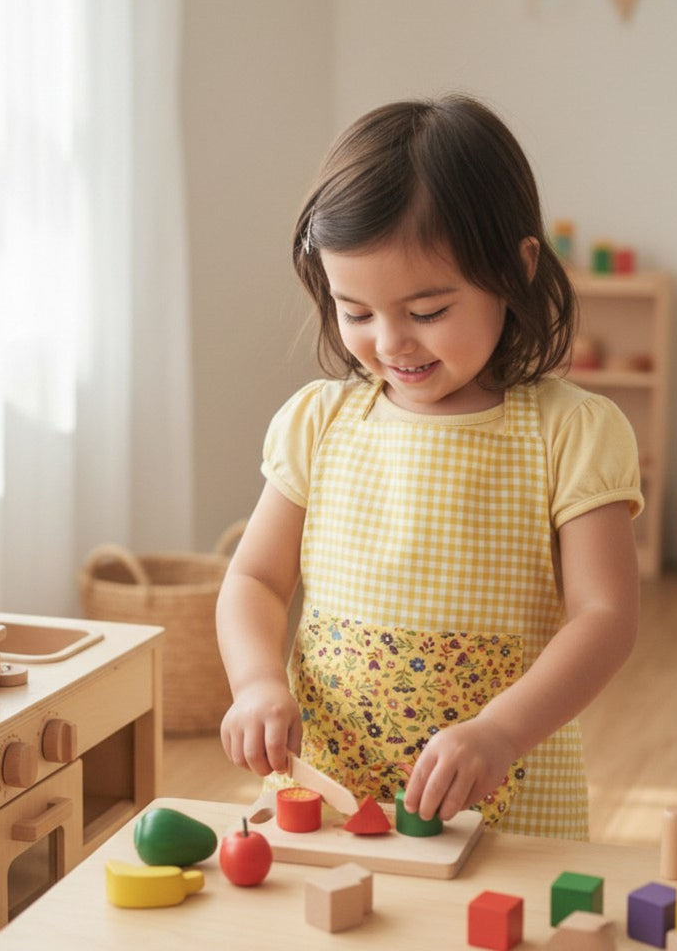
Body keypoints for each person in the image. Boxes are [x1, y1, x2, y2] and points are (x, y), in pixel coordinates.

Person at [216, 94, 642, 840]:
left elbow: (605, 616)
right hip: (334, 784)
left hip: (506, 790)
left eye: (427, 311)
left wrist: (502, 732)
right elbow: (254, 579)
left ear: (515, 270)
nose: (390, 343)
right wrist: (255, 682)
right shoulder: (320, 422)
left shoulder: (571, 431)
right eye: (356, 312)